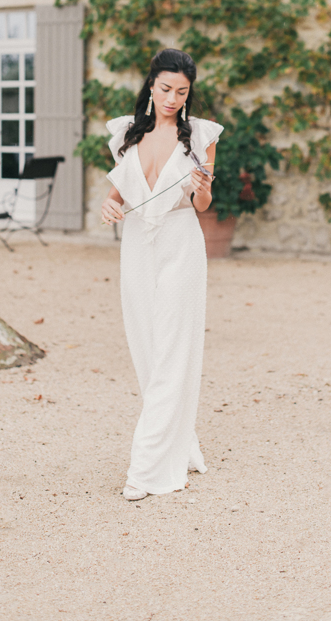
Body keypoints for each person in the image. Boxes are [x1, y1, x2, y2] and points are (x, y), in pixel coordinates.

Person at [101, 48, 223, 501]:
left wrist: (204, 188)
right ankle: (179, 437)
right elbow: (117, 196)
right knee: (149, 350)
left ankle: (147, 469)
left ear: (189, 94)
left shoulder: (202, 137)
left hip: (179, 245)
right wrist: (109, 207)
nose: (173, 98)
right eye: (166, 88)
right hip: (136, 248)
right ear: (151, 86)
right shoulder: (126, 135)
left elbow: (201, 206)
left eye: (182, 91)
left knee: (174, 348)